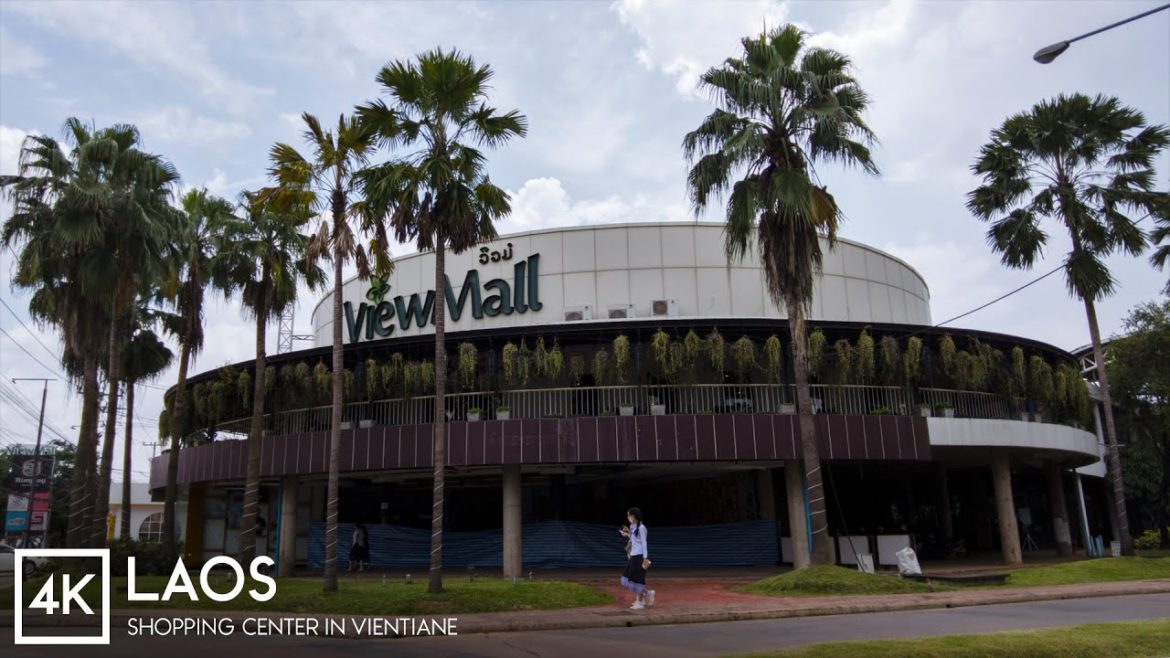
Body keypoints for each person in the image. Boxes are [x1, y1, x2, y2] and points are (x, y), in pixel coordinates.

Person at [619, 507, 654, 609]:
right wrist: (627, 534)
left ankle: (640, 602)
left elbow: (644, 543)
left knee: (637, 579)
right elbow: (634, 540)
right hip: (633, 555)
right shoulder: (633, 527)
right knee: (628, 578)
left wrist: (645, 558)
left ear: (634, 516)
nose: (628, 517)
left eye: (629, 515)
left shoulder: (642, 528)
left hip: (639, 556)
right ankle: (648, 594)